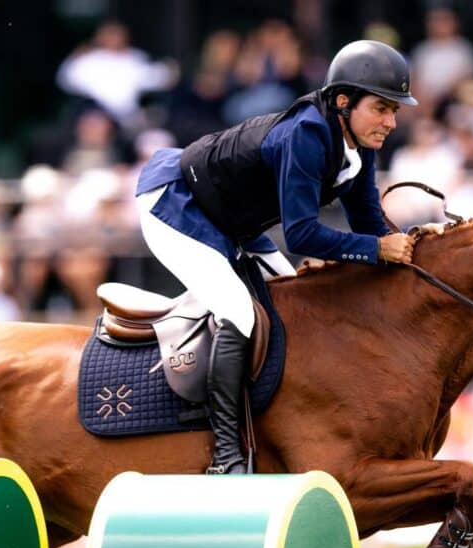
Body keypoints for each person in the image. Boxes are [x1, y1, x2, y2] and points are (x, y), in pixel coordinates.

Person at [134, 40, 428, 475]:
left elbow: (367, 219)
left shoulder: (360, 143)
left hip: (232, 220)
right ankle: (226, 454)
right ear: (343, 101)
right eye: (381, 108)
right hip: (176, 205)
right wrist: (377, 249)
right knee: (239, 313)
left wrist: (416, 252)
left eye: (394, 112)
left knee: (297, 302)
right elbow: (302, 233)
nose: (389, 121)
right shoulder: (307, 134)